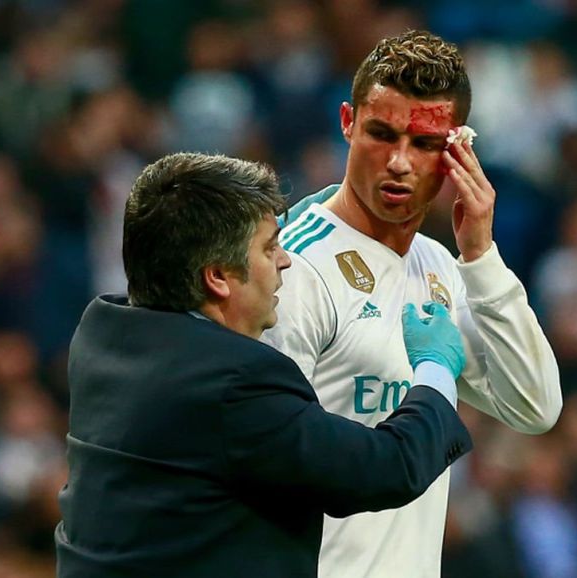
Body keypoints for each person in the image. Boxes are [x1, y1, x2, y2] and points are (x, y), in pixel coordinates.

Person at [54, 152, 473, 578]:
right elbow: (386, 468)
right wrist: (435, 369)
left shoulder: (101, 334)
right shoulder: (234, 384)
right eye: (270, 247)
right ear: (218, 277)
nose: (286, 259)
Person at [261, 29, 563, 578]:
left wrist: (481, 256)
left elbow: (534, 405)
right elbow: (267, 464)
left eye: (424, 143)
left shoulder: (441, 267)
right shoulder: (293, 267)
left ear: (457, 150)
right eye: (382, 134)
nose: (399, 162)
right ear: (348, 122)